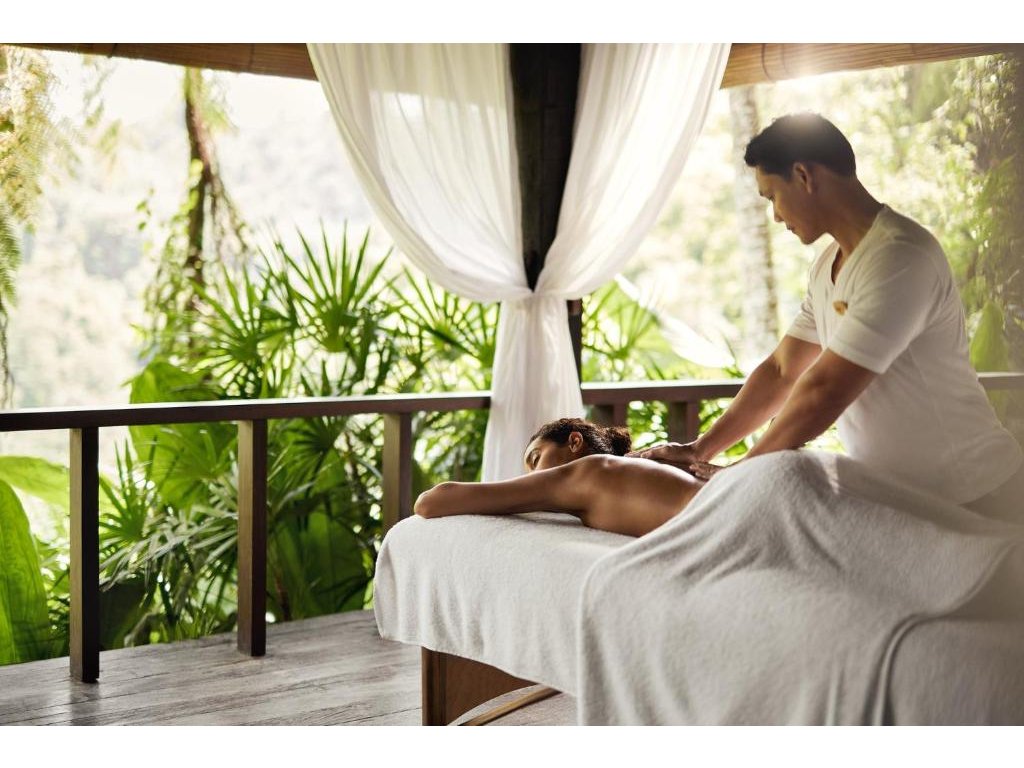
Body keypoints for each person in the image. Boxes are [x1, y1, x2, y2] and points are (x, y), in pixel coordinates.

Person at [632, 112, 1024, 521]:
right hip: (903, 503)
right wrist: (700, 450)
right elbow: (783, 370)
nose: (775, 216)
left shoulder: (900, 257)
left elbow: (825, 389)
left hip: (980, 494)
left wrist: (741, 475)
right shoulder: (826, 267)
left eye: (772, 196)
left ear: (803, 176)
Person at [414, 417, 704, 537]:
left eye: (536, 459)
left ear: (574, 442)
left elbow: (430, 502)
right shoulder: (635, 471)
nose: (536, 476)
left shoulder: (585, 472)